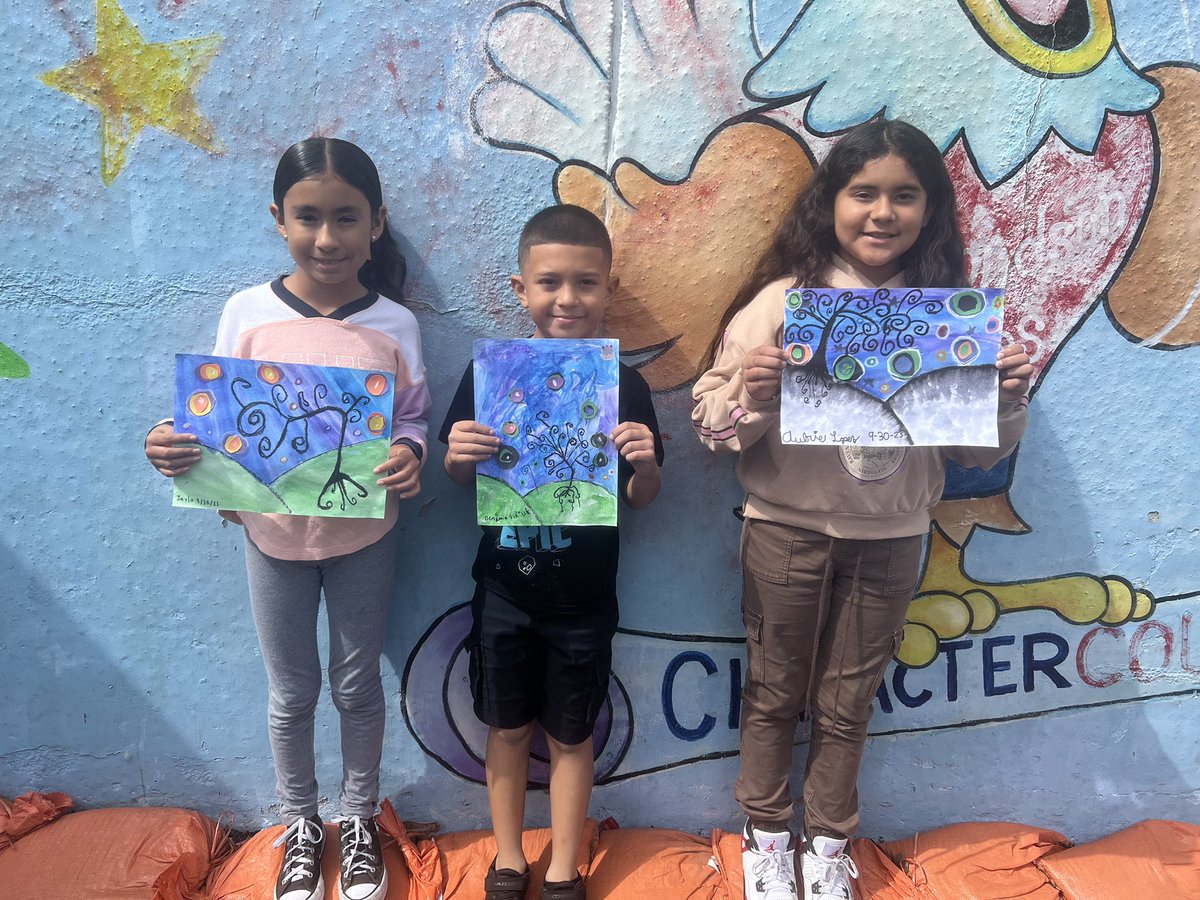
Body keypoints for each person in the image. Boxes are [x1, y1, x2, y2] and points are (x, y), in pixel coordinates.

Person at [691, 120, 1034, 900]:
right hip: (783, 532)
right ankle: (767, 836)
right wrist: (754, 390)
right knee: (776, 692)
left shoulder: (945, 318)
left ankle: (829, 843)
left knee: (848, 702)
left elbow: (979, 455)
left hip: (893, 539)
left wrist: (1006, 401)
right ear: (831, 203)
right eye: (864, 193)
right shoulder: (785, 302)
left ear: (930, 211)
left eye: (904, 196)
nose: (883, 212)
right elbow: (711, 424)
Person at [145, 138, 430, 900]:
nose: (327, 237)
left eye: (346, 218)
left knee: (356, 684)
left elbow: (412, 419)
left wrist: (410, 453)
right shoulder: (247, 312)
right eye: (308, 217)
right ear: (279, 219)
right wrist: (171, 446)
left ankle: (359, 820)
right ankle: (303, 825)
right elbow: (210, 418)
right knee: (292, 691)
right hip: (270, 538)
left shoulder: (395, 324)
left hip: (364, 533)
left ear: (377, 223)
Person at [439, 205, 664, 900]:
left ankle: (564, 862)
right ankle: (509, 856)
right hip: (504, 592)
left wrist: (646, 462)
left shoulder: (625, 386)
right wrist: (459, 454)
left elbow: (644, 496)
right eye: (551, 282)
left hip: (585, 601)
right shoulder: (490, 378)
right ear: (520, 288)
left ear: (610, 287)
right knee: (506, 729)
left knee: (572, 735)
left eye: (586, 283)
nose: (568, 299)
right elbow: (456, 474)